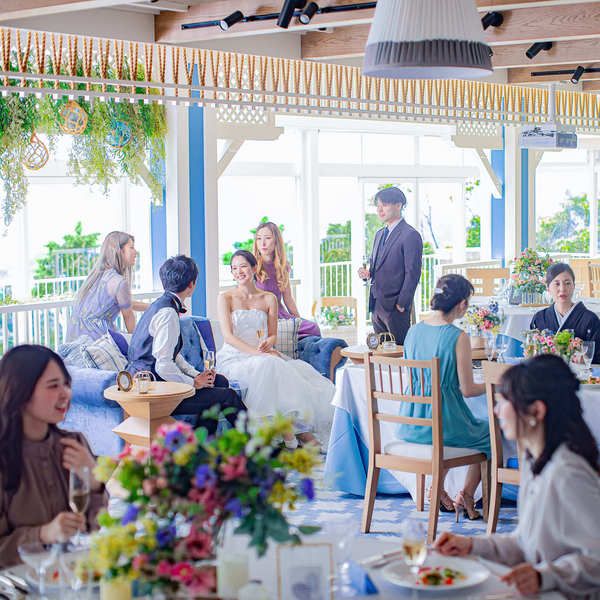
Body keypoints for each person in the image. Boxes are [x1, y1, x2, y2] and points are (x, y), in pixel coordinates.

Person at [435, 355, 600, 599]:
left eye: (504, 401)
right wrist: (471, 545)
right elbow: (526, 544)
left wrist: (544, 576)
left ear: (536, 411)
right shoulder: (535, 462)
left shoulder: (567, 474)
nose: (495, 410)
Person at [0, 345, 108, 567]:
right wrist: (42, 534)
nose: (65, 393)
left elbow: (94, 528)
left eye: (66, 384)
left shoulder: (75, 444)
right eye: (53, 386)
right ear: (21, 392)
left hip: (72, 573)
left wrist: (94, 480)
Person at [217, 250, 334, 448]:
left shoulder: (269, 298)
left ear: (254, 268)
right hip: (234, 356)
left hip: (262, 353)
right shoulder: (225, 298)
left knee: (295, 372)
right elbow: (228, 337)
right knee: (269, 365)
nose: (238, 272)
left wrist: (268, 344)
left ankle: (294, 430)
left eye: (243, 266)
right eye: (234, 268)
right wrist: (257, 353)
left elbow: (272, 335)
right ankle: (297, 432)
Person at [399, 274, 490, 518]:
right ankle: (467, 495)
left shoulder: (413, 331)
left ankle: (438, 487)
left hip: (411, 423)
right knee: (489, 434)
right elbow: (468, 390)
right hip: (443, 424)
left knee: (457, 431)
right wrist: (494, 384)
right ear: (462, 304)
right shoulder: (458, 336)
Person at [127, 255, 245, 434]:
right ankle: (259, 445)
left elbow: (172, 355)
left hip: (153, 382)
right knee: (228, 396)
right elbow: (163, 365)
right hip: (153, 390)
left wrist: (197, 374)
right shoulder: (168, 313)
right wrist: (193, 383)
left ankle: (203, 443)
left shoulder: (160, 305)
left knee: (219, 381)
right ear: (191, 285)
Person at [357, 187, 423, 345]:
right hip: (376, 304)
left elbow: (412, 272)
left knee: (399, 350)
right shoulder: (379, 234)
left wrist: (402, 303)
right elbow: (376, 266)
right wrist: (366, 273)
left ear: (399, 205)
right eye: (378, 206)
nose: (380, 210)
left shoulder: (410, 235)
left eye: (384, 205)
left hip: (395, 306)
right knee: (381, 351)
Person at [67, 231, 148, 342]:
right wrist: (136, 345)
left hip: (77, 338)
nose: (135, 252)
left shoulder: (98, 276)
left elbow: (126, 303)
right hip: (97, 339)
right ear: (119, 251)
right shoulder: (118, 282)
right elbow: (128, 315)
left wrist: (153, 306)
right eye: (131, 247)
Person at [253, 221, 321, 338]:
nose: (262, 243)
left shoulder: (282, 266)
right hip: (262, 318)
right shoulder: (252, 265)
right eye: (259, 239)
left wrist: (298, 321)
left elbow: (288, 299)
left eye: (267, 238)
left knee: (313, 328)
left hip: (281, 317)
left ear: (276, 241)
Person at [530, 262, 600, 363]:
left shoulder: (590, 319)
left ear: (574, 286)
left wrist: (584, 359)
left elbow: (597, 358)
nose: (562, 289)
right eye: (557, 284)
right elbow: (532, 354)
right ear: (548, 288)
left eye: (567, 283)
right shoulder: (539, 318)